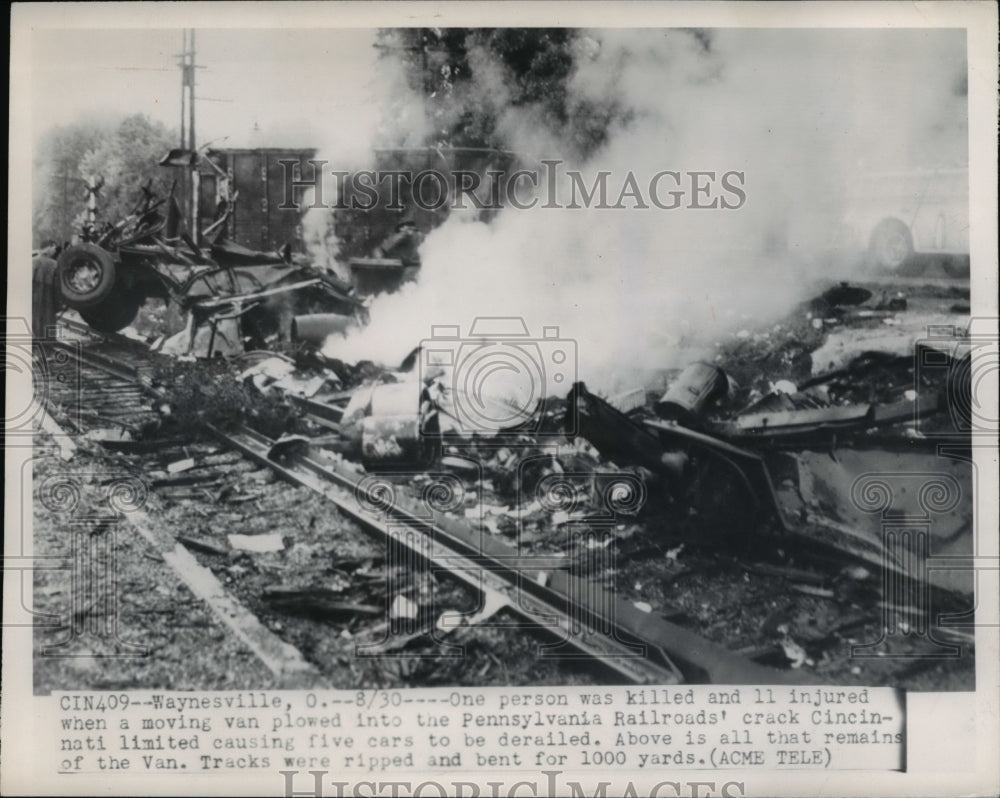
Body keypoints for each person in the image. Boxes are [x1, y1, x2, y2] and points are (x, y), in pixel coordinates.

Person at [32, 239, 60, 339]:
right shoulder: (54, 264)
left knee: (35, 316)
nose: (55, 251)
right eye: (54, 248)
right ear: (48, 247)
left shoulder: (33, 261)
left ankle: (34, 340)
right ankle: (48, 344)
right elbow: (57, 286)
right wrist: (59, 303)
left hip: (34, 294)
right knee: (49, 317)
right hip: (49, 295)